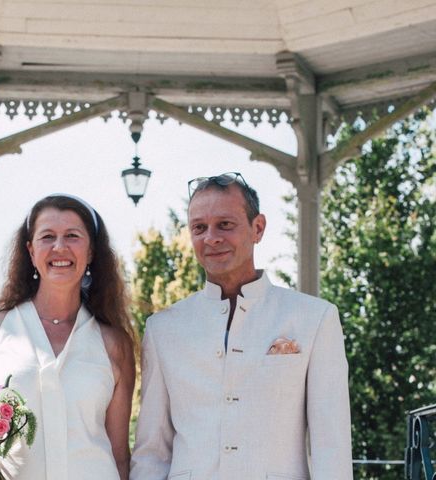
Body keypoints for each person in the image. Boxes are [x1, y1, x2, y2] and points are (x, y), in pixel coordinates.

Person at [131, 173, 353, 480]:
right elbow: (152, 452)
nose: (211, 238)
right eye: (199, 228)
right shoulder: (162, 330)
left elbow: (331, 446)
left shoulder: (314, 318)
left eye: (225, 224)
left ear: (257, 228)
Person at [0, 194, 136, 480]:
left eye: (72, 236)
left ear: (90, 252)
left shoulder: (114, 344)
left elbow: (119, 454)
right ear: (30, 250)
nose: (59, 247)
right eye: (47, 236)